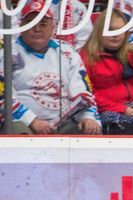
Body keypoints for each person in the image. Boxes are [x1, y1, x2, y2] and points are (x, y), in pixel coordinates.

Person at [0, 0, 101, 135]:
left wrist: (88, 117)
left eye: (43, 24)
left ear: (52, 27)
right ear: (21, 26)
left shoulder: (68, 52)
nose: (37, 29)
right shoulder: (8, 53)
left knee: (90, 129)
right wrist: (32, 121)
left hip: (64, 122)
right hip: (24, 124)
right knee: (17, 130)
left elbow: (83, 90)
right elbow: (3, 96)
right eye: (31, 23)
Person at [80, 9, 133, 135]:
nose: (116, 35)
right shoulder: (87, 57)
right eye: (111, 29)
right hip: (108, 112)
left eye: (121, 30)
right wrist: (121, 109)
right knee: (127, 131)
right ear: (99, 31)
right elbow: (88, 95)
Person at [11, 0, 93, 49]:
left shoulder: (77, 7)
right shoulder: (27, 2)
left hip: (66, 59)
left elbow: (84, 42)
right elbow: (15, 34)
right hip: (28, 55)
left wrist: (67, 56)